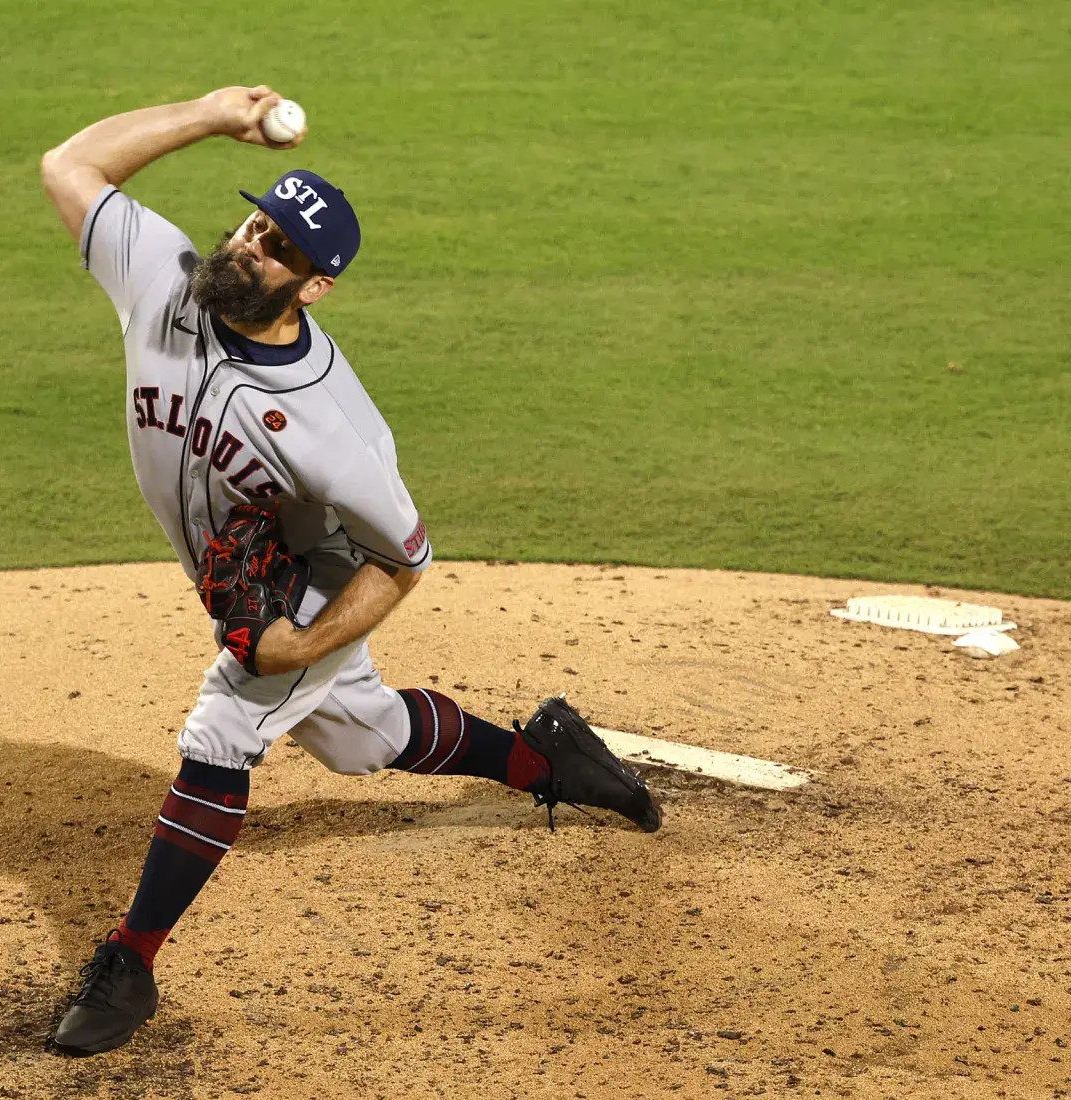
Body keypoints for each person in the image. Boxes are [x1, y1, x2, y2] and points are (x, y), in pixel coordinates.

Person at [38, 85, 661, 1056]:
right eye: (255, 224)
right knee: (360, 738)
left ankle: (130, 962)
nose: (251, 246)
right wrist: (212, 112)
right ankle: (549, 759)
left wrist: (303, 641)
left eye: (279, 248)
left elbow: (404, 557)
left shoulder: (334, 426)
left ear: (314, 286)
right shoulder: (163, 283)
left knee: (225, 725)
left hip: (314, 578)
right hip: (253, 575)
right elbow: (70, 166)